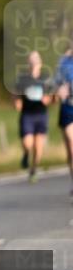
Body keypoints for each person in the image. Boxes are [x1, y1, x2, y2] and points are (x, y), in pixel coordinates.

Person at [15, 51, 52, 183]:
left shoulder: (45, 77)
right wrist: (17, 101)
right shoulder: (23, 78)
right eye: (32, 59)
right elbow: (16, 92)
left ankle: (34, 170)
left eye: (37, 59)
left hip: (41, 114)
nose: (35, 62)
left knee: (38, 146)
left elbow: (52, 95)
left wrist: (48, 99)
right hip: (27, 114)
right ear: (28, 62)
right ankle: (26, 154)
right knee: (27, 143)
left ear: (41, 62)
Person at [55, 45, 73, 196]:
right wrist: (60, 90)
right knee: (71, 149)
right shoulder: (64, 62)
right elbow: (57, 83)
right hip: (68, 108)